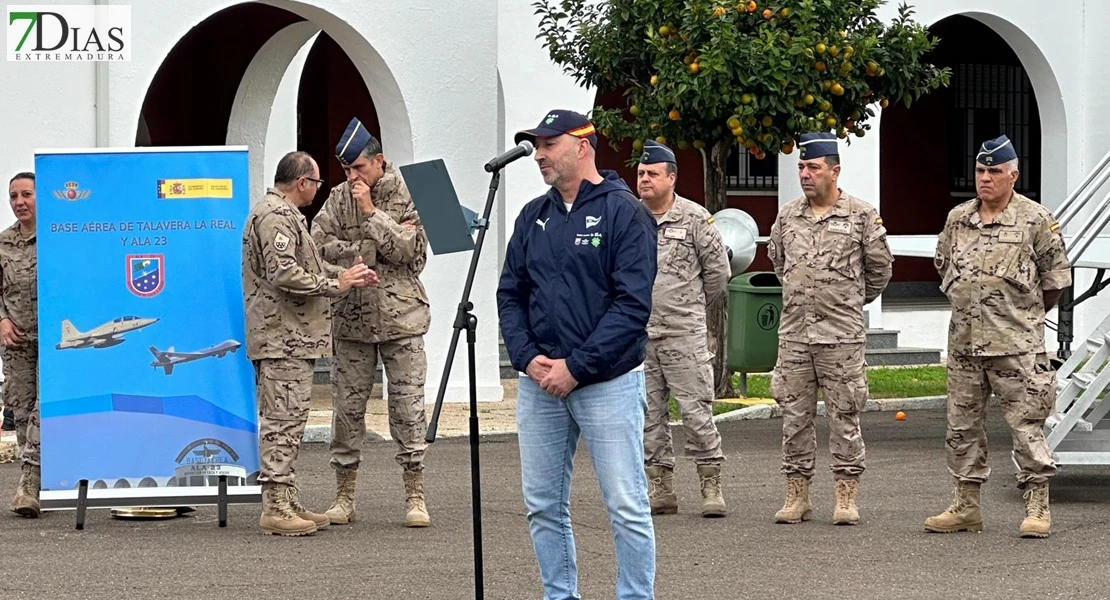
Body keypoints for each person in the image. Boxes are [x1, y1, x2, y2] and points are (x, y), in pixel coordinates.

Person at [498, 109, 659, 600]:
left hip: (606, 382)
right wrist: (527, 359)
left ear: (583, 146)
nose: (539, 155)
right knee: (543, 505)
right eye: (536, 146)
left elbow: (631, 306)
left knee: (625, 504)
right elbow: (510, 293)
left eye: (549, 144)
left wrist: (576, 367)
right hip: (540, 382)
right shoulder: (533, 216)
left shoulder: (624, 212)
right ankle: (559, 594)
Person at [924, 135, 1071, 539]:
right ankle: (965, 505)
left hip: (1016, 346)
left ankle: (1037, 504)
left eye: (994, 171)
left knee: (1026, 425)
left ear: (1013, 175)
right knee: (961, 427)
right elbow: (944, 267)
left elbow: (1055, 280)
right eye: (980, 170)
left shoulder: (1035, 220)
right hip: (965, 344)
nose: (985, 179)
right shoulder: (958, 219)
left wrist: (1022, 316)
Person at [243, 151, 378, 536]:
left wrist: (345, 274)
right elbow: (285, 272)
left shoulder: (284, 215)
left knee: (290, 419)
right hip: (281, 337)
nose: (318, 190)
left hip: (292, 337)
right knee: (282, 422)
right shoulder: (275, 216)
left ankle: (287, 497)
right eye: (316, 182)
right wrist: (336, 285)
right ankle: (275, 507)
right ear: (302, 182)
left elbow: (309, 266)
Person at [310, 117, 433, 528]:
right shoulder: (336, 197)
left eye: (358, 168)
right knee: (347, 408)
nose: (352, 177)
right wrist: (360, 249)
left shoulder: (412, 192)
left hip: (402, 317)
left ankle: (414, 493)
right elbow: (316, 244)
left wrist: (370, 213)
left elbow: (411, 252)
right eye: (346, 170)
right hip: (352, 319)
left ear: (379, 161)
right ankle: (344, 495)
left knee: (407, 406)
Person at [766, 132, 893, 526]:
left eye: (813, 167)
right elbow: (778, 262)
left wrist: (848, 301)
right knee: (794, 417)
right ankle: (797, 494)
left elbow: (880, 271)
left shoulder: (861, 216)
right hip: (795, 337)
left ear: (834, 171)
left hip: (841, 338)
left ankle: (845, 495)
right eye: (801, 167)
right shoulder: (788, 215)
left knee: (845, 416)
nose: (805, 174)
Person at [636, 140, 731, 518]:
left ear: (671, 178)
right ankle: (660, 487)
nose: (644, 179)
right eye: (641, 173)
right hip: (639, 337)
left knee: (695, 411)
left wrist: (687, 308)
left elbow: (718, 275)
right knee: (648, 416)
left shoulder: (695, 219)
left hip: (683, 335)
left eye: (652, 173)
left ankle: (710, 484)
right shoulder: (628, 216)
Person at [2, 172, 40, 518]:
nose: (19, 202)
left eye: (26, 194)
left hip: (57, 341)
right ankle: (30, 481)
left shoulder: (58, 240)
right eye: (14, 196)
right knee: (22, 410)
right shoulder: (2, 244)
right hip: (17, 342)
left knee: (44, 410)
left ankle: (30, 484)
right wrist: (2, 319)